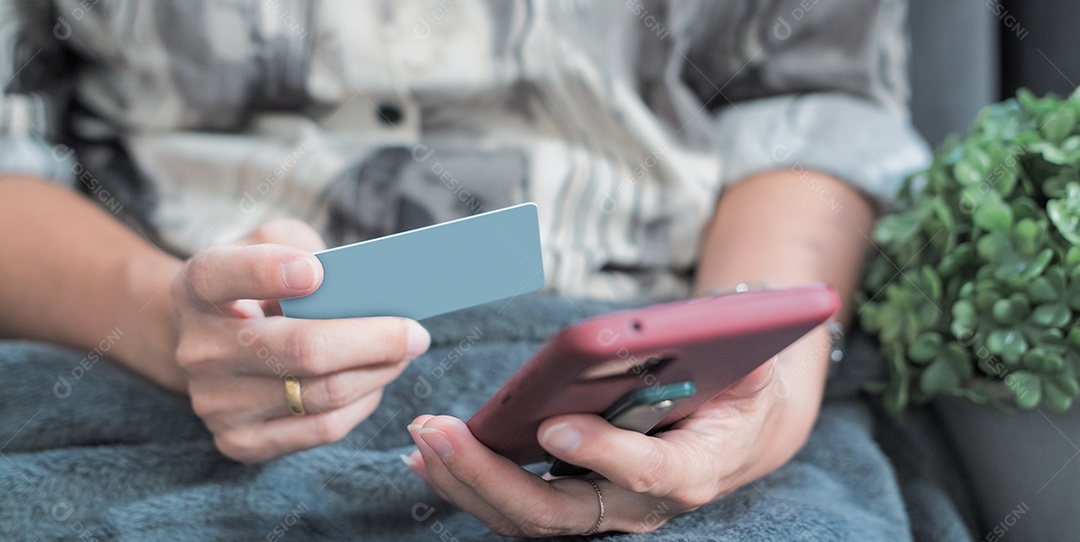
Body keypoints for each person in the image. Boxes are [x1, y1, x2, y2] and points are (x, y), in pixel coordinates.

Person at [0, 1, 956, 539]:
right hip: (149, 338)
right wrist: (164, 321)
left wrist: (770, 382)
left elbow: (809, 103)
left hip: (650, 362)